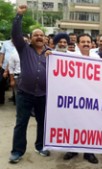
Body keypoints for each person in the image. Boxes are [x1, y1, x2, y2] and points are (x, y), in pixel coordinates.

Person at [9, 5, 51, 163]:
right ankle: (17, 151)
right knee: (21, 123)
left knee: (42, 122)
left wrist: (52, 57)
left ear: (45, 38)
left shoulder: (51, 54)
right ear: (31, 38)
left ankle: (40, 146)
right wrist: (19, 15)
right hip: (25, 94)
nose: (39, 37)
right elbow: (15, 34)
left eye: (42, 35)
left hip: (43, 95)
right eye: (36, 35)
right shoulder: (24, 49)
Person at [62, 33, 99, 164]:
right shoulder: (70, 57)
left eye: (88, 42)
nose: (86, 44)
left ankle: (89, 152)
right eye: (83, 42)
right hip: (75, 98)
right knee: (74, 124)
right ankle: (72, 149)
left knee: (90, 126)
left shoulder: (97, 58)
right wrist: (50, 54)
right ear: (78, 44)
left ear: (92, 44)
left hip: (91, 98)